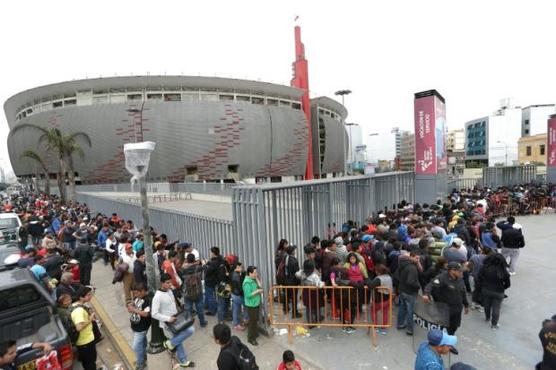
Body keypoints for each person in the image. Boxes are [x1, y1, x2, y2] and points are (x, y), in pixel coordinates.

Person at [151, 273, 195, 368]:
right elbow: (154, 313)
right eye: (167, 283)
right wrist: (168, 319)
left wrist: (179, 309)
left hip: (177, 319)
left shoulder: (169, 290)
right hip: (169, 322)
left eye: (170, 282)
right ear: (162, 283)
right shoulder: (157, 296)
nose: (170, 284)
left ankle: (173, 347)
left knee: (178, 339)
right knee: (190, 330)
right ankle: (173, 347)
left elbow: (173, 302)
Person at [423, 262, 469, 335]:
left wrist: (466, 305)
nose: (461, 272)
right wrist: (426, 294)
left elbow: (463, 293)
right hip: (445, 310)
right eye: (459, 271)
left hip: (457, 310)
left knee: (454, 327)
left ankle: (448, 342)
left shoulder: (460, 279)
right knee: (442, 328)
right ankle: (442, 343)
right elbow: (430, 285)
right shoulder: (441, 278)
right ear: (452, 270)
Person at [479, 252, 510, 330]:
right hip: (498, 291)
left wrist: (484, 284)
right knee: (496, 308)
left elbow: (479, 277)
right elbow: (508, 284)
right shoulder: (503, 271)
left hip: (486, 289)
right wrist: (502, 288)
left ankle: (487, 318)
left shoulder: (485, 268)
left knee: (487, 304)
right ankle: (494, 325)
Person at [71, 286, 97, 370]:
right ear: (81, 297)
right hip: (85, 342)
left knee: (87, 362)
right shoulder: (79, 311)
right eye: (88, 295)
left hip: (84, 341)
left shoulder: (75, 305)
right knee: (90, 362)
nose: (90, 296)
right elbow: (79, 327)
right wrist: (90, 319)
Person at [396, 251, 421, 336]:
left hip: (402, 290)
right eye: (417, 258)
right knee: (410, 311)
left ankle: (400, 324)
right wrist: (418, 286)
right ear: (411, 256)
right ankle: (410, 329)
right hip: (410, 292)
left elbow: (398, 275)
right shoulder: (412, 268)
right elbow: (411, 281)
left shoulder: (403, 264)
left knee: (402, 308)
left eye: (419, 258)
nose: (418, 260)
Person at [127, 283, 151, 370]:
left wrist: (134, 310)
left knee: (136, 346)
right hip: (135, 325)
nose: (135, 295)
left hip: (141, 328)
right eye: (135, 293)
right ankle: (143, 357)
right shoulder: (137, 298)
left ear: (143, 291)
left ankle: (140, 363)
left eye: (137, 293)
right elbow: (132, 308)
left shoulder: (148, 300)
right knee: (143, 343)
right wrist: (131, 306)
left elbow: (146, 314)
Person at [295, 259, 325, 326]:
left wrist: (302, 270)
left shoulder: (302, 273)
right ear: (312, 267)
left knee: (309, 308)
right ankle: (318, 318)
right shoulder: (315, 276)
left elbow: (296, 274)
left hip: (306, 292)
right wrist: (323, 283)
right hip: (315, 293)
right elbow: (319, 285)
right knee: (317, 306)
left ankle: (310, 323)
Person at [182, 253, 208, 328]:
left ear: (187, 260)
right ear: (194, 260)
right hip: (198, 291)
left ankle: (188, 325)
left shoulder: (184, 269)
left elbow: (181, 276)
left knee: (188, 309)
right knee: (200, 308)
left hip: (187, 292)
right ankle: (202, 323)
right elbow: (202, 268)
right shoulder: (199, 268)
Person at [366, 264, 393, 335]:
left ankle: (375, 327)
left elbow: (370, 285)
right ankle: (384, 328)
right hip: (388, 298)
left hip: (379, 299)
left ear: (378, 271)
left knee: (373, 311)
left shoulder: (379, 279)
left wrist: (367, 279)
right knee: (385, 313)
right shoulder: (388, 277)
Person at [242, 266, 263, 346]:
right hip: (251, 305)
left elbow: (260, 286)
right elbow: (248, 295)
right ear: (249, 273)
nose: (256, 274)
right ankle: (250, 338)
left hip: (256, 304)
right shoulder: (246, 282)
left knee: (255, 320)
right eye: (254, 273)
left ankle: (255, 333)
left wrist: (256, 278)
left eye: (256, 272)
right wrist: (257, 291)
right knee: (252, 322)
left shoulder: (253, 279)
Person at [205, 247, 226, 317]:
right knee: (214, 296)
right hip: (216, 280)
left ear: (213, 253)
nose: (210, 254)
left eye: (211, 252)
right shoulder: (221, 259)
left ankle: (212, 310)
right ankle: (211, 307)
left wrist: (205, 265)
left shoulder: (214, 262)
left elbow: (208, 271)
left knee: (210, 296)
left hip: (210, 281)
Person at [282, 245, 301, 318]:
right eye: (294, 250)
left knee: (287, 295)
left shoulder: (285, 258)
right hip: (293, 281)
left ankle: (286, 309)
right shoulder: (294, 260)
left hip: (286, 280)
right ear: (292, 251)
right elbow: (297, 273)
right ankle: (295, 313)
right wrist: (299, 283)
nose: (295, 251)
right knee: (294, 298)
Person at [230, 261, 248, 331]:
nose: (242, 268)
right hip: (238, 295)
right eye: (241, 267)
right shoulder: (236, 276)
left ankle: (235, 324)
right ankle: (245, 319)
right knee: (247, 305)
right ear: (237, 267)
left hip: (233, 294)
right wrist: (244, 294)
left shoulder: (232, 273)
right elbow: (240, 287)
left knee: (235, 309)